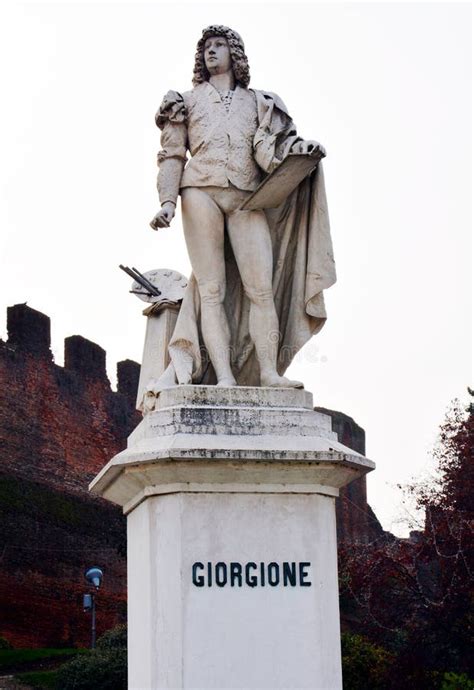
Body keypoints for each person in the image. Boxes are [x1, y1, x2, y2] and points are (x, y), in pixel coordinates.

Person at [148, 25, 336, 398]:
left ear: (235, 53)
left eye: (219, 45)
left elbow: (267, 155)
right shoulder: (183, 101)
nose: (210, 52)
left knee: (261, 290)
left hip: (248, 197)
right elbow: (171, 156)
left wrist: (298, 155)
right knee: (213, 289)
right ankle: (224, 378)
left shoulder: (260, 103)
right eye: (206, 47)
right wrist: (167, 202)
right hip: (199, 189)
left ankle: (268, 372)